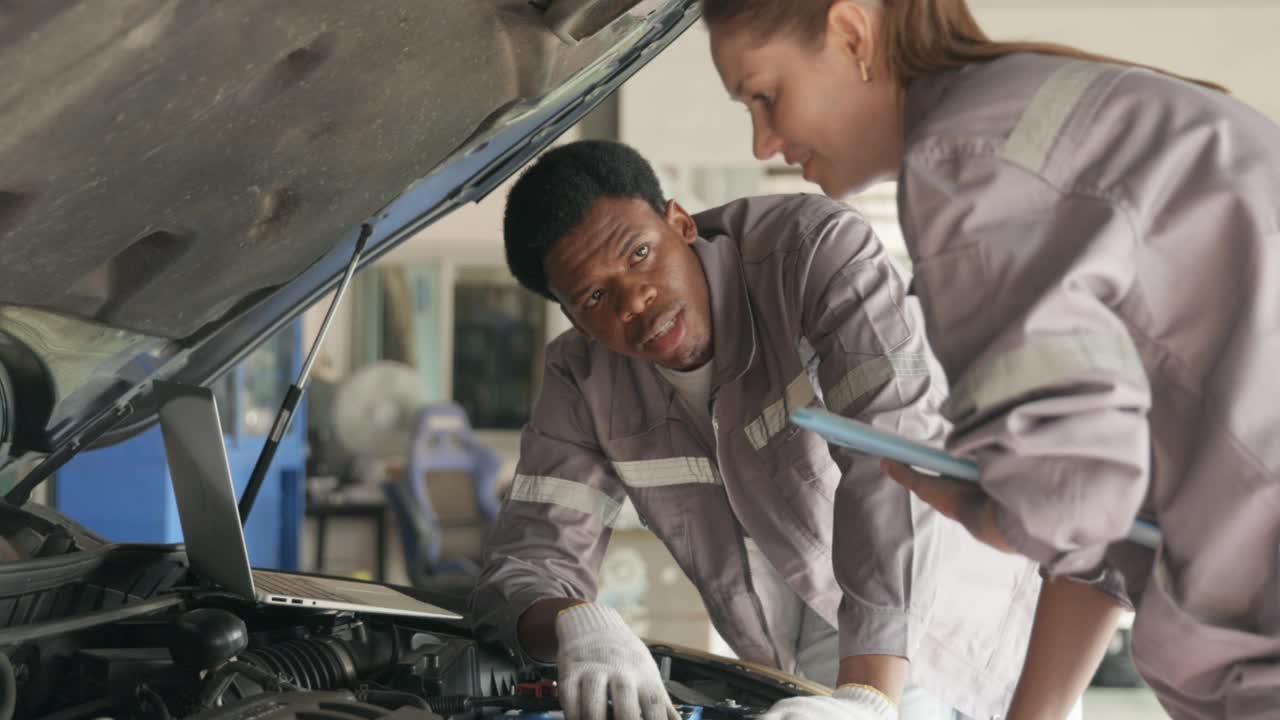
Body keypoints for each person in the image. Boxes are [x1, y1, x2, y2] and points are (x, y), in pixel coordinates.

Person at [703, 1, 1280, 718]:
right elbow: (1109, 523)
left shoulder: (967, 166)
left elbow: (1070, 499)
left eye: (764, 95)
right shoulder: (1058, 106)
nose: (764, 141)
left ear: (851, 33)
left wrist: (985, 505)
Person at [470, 139, 1041, 720]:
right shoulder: (583, 380)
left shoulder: (814, 253)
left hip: (952, 620)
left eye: (640, 253)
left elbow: (895, 460)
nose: (635, 300)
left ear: (681, 223)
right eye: (595, 295)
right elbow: (528, 557)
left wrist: (869, 697)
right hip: (801, 671)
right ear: (574, 320)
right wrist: (575, 621)